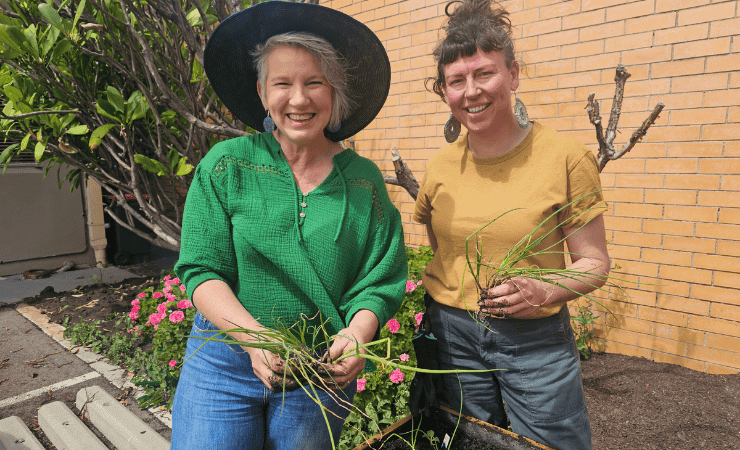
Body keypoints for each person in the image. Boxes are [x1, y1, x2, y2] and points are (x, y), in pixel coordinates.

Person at [170, 2, 407, 449]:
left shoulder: (363, 182)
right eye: (283, 83)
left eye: (314, 82)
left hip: (318, 367)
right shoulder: (227, 166)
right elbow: (201, 271)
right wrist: (254, 339)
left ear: (334, 93)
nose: (299, 99)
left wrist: (358, 334)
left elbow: (379, 279)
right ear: (262, 93)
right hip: (223, 359)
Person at [412, 1, 610, 449]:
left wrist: (544, 288)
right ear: (445, 92)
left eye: (484, 73)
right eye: (456, 81)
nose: (471, 91)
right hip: (453, 335)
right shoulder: (442, 165)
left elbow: (595, 263)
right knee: (474, 442)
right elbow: (442, 247)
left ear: (514, 74)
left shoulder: (564, 157)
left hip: (533, 340)